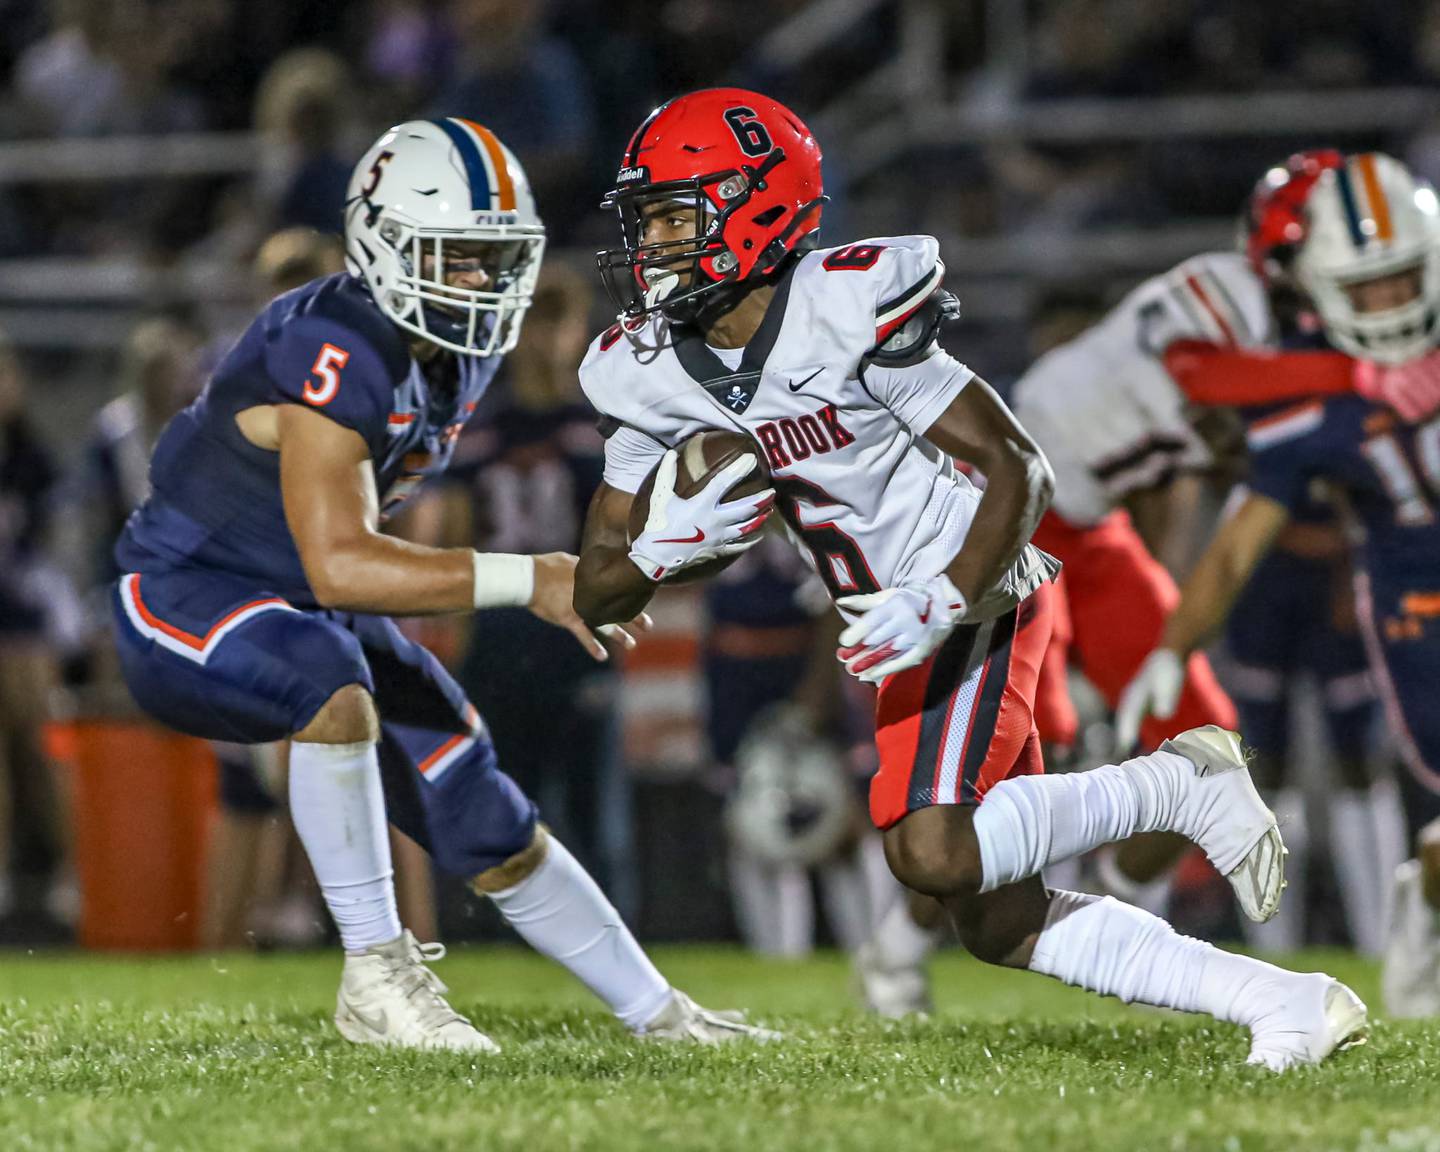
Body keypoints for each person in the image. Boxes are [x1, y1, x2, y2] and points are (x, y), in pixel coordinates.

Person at [572, 87, 1365, 1070]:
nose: (651, 244)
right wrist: (656, 553)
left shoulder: (844, 305)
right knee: (995, 921)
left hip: (976, 584)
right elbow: (596, 591)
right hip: (883, 619)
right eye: (645, 218)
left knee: (930, 849)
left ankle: (1178, 783)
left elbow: (1019, 465)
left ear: (759, 204)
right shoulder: (637, 369)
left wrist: (944, 593)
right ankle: (1285, 1000)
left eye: (674, 216)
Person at [109, 117, 772, 1050]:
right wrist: (530, 577)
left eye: (495, 258)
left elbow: (342, 571)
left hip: (309, 606)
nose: (480, 282)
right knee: (327, 684)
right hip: (186, 597)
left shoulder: (458, 351)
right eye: (455, 255)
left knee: (479, 803)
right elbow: (340, 557)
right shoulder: (334, 341)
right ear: (384, 243)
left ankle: (663, 1015)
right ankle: (378, 980)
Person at [1119, 152, 1440, 1016]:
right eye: (1364, 286)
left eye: (1404, 277)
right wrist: (1173, 646)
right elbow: (1237, 544)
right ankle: (1423, 900)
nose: (1390, 301)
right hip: (1423, 606)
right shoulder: (1306, 396)